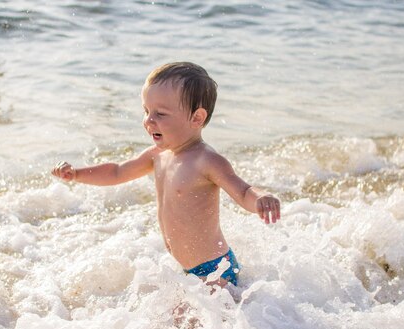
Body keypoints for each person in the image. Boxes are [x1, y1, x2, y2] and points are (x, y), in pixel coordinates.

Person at [52, 62, 280, 289]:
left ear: (196, 118)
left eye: (160, 113)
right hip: (187, 270)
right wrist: (76, 175)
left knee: (207, 324)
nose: (149, 120)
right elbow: (117, 171)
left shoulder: (206, 160)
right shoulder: (158, 155)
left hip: (215, 270)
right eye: (146, 111)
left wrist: (261, 198)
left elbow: (242, 191)